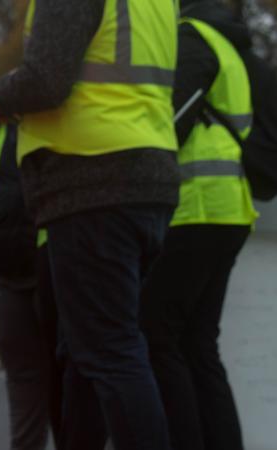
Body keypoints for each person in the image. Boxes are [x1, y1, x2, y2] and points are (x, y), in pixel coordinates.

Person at [0, 0, 180, 447]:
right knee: (85, 352)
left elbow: (47, 79)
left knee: (109, 352)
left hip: (93, 180)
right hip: (145, 179)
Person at [140, 1, 257, 449]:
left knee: (156, 334)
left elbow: (167, 124)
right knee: (198, 344)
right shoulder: (228, 44)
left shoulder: (192, 37)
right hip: (228, 209)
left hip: (196, 208)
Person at [0, 124, 63, 450]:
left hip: (58, 270)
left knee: (71, 378)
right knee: (23, 382)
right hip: (7, 275)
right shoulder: (2, 130)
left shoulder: (69, 113)